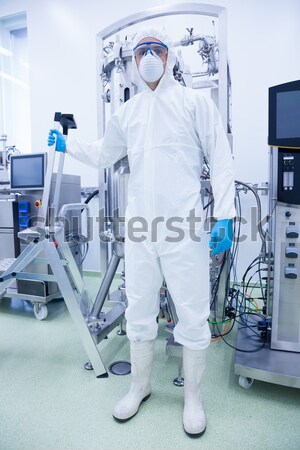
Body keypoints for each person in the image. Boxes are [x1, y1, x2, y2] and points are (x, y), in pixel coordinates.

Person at [48, 28, 235, 437]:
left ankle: (193, 399)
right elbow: (104, 152)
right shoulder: (127, 112)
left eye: (156, 49)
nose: (149, 56)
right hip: (140, 227)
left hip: (183, 226)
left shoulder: (194, 102)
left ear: (170, 57)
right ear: (133, 61)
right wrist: (68, 144)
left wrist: (225, 214)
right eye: (141, 51)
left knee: (191, 311)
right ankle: (140, 386)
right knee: (138, 308)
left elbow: (220, 156)